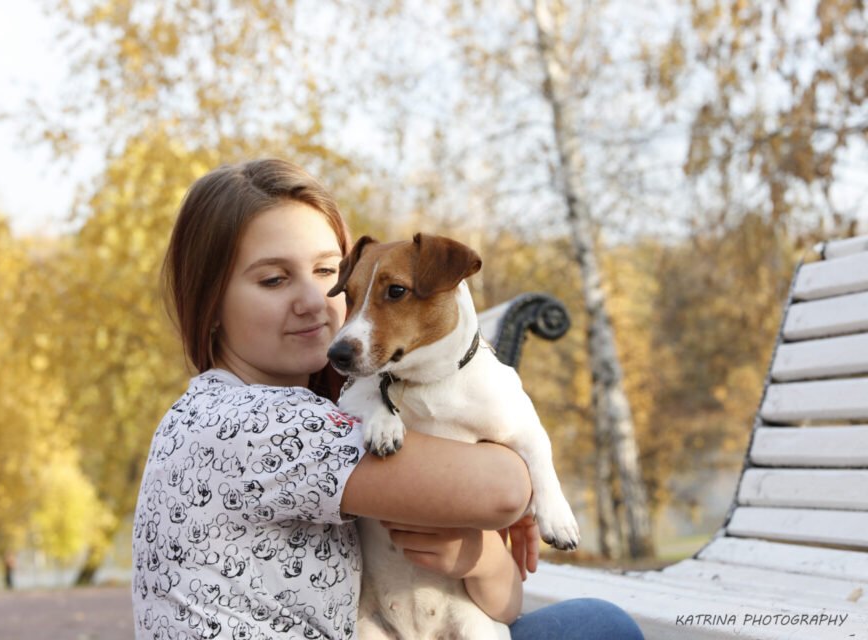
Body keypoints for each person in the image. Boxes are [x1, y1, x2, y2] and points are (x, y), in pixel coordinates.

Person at [131, 158, 644, 640]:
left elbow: (502, 599)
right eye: (273, 279)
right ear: (210, 304)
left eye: (329, 274)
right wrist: (509, 490)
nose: (314, 301)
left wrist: (482, 552)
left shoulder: (223, 408)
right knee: (599, 625)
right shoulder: (256, 423)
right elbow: (506, 489)